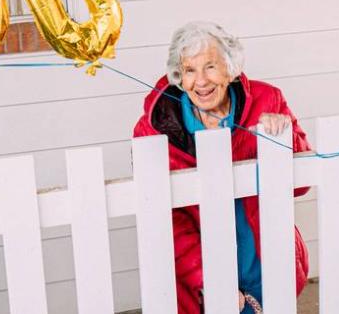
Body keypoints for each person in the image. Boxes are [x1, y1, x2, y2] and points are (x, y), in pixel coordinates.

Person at [133, 21, 310, 314]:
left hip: (265, 266)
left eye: (211, 67)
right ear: (179, 76)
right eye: (190, 70)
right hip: (199, 283)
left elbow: (301, 185)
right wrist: (213, 282)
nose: (201, 81)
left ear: (230, 69)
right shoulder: (153, 128)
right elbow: (165, 220)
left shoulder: (267, 100)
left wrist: (283, 136)